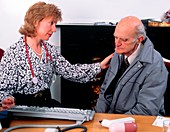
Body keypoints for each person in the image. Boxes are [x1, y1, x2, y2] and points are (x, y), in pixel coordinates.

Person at [0, 1, 113, 110]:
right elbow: (2, 90)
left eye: (55, 24)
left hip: (45, 106)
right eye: (51, 23)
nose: (54, 29)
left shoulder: (50, 50)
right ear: (36, 22)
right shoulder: (13, 53)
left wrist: (99, 66)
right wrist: (7, 100)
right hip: (22, 109)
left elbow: (71, 71)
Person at [95, 16, 169, 116]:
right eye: (116, 37)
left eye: (124, 40)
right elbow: (105, 92)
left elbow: (145, 110)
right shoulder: (118, 53)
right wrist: (98, 117)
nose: (117, 44)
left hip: (139, 122)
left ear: (139, 39)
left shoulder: (154, 63)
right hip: (112, 120)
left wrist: (114, 122)